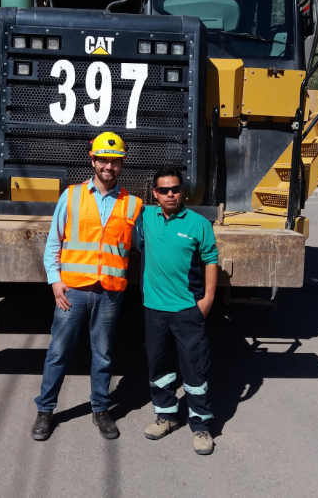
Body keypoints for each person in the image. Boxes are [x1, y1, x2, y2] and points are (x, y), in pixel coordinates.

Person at [32, 132, 142, 441]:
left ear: (122, 165)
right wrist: (55, 281)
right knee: (58, 352)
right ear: (92, 160)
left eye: (115, 161)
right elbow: (54, 242)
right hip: (72, 292)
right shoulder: (71, 196)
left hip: (109, 293)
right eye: (103, 160)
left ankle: (101, 409)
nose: (109, 166)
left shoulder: (133, 205)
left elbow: (144, 245)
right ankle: (45, 410)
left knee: (103, 355)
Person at [136, 167, 218, 455]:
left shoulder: (198, 224)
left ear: (182, 191)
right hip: (154, 310)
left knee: (194, 369)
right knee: (159, 368)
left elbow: (210, 260)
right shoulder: (145, 217)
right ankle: (167, 416)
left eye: (175, 189)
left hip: (187, 310)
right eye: (164, 190)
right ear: (155, 193)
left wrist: (208, 299)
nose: (170, 194)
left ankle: (201, 425)